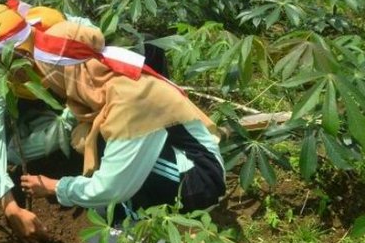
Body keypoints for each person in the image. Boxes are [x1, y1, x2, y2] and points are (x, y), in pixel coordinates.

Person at [20, 21, 225, 229]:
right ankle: (131, 207)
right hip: (181, 162)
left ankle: (141, 225)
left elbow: (111, 187)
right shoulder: (103, 78)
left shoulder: (128, 99)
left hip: (200, 182)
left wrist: (55, 187)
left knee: (117, 167)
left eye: (51, 75)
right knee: (102, 140)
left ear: (69, 73)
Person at [0, 4, 77, 243]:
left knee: (82, 137)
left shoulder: (57, 39)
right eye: (4, 64)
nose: (15, 71)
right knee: (9, 153)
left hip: (77, 95)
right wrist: (10, 206)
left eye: (20, 58)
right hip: (38, 102)